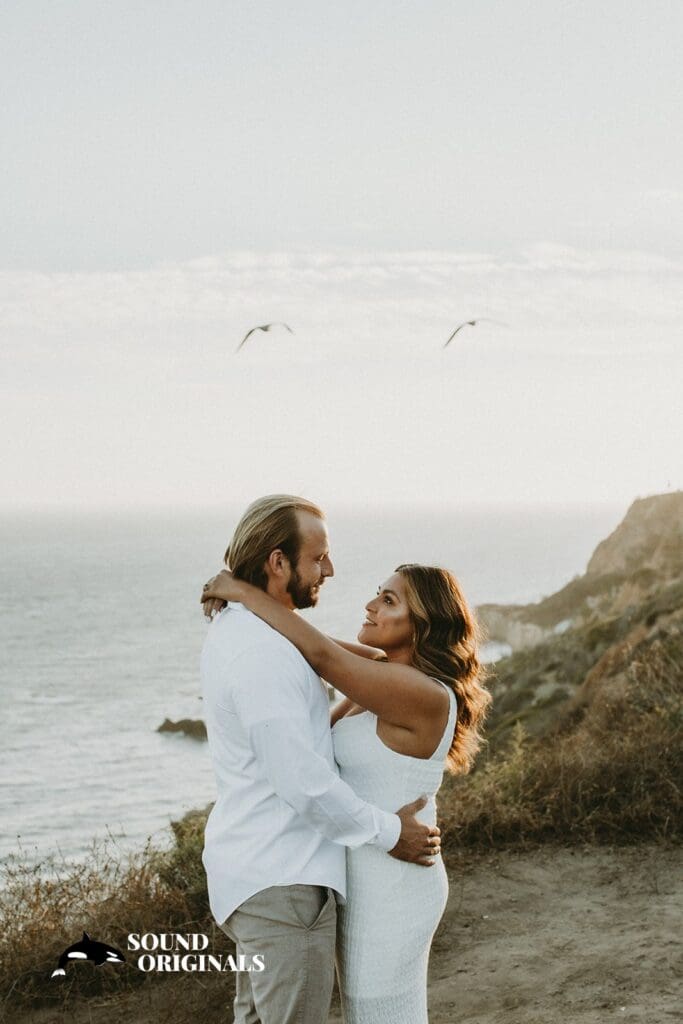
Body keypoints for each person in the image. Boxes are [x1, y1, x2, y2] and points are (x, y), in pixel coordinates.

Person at [202, 504, 491, 1024]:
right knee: (364, 1012)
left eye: (388, 600)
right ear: (279, 561)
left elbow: (320, 656)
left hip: (397, 874)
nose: (370, 604)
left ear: (421, 625)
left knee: (383, 1013)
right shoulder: (378, 680)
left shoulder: (424, 694)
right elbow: (301, 643)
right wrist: (247, 609)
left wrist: (242, 592)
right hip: (365, 867)